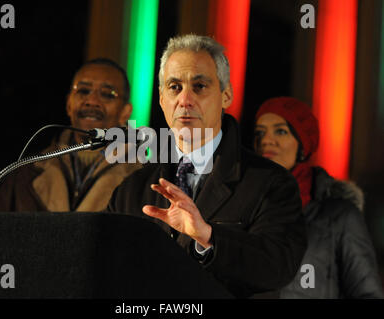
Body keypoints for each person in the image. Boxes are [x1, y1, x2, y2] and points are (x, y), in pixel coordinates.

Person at [106, 34, 307, 298]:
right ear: (162, 98)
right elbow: (106, 266)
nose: (185, 100)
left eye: (199, 86)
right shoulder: (132, 188)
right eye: (174, 87)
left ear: (226, 96)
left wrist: (209, 238)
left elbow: (278, 266)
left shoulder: (271, 183)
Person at [253, 96, 384, 298]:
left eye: (281, 131)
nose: (266, 141)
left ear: (303, 145)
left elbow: (366, 291)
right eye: (260, 133)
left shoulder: (339, 216)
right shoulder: (245, 206)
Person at [0, 58, 142, 212]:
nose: (92, 101)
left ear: (125, 112)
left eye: (107, 94)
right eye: (83, 90)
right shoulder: (25, 172)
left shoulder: (143, 178)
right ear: (69, 104)